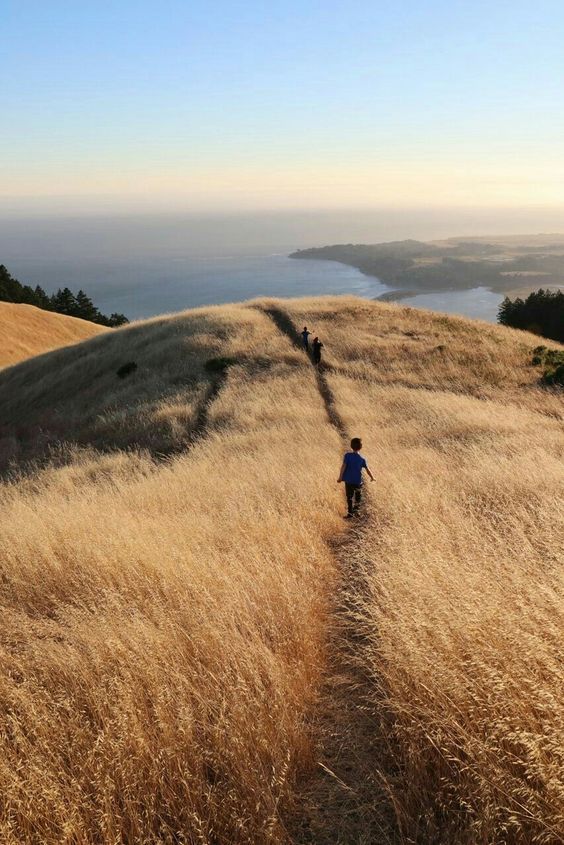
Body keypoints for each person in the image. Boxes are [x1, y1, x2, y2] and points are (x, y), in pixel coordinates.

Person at [337, 437, 374, 518]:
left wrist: (340, 477)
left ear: (351, 446)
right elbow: (368, 469)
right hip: (358, 481)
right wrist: (372, 477)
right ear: (361, 447)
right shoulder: (362, 459)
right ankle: (356, 512)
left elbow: (343, 467)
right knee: (358, 497)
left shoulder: (347, 456)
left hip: (348, 481)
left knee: (349, 497)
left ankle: (350, 513)